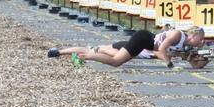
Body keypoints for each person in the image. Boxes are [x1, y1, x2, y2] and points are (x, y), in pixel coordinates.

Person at [47, 26, 205, 67]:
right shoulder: (178, 35)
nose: (202, 41)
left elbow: (194, 64)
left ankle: (58, 52)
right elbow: (161, 50)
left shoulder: (183, 45)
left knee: (98, 51)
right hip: (143, 41)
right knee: (115, 61)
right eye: (201, 38)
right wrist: (170, 64)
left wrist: (201, 59)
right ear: (194, 35)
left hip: (141, 44)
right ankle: (85, 56)